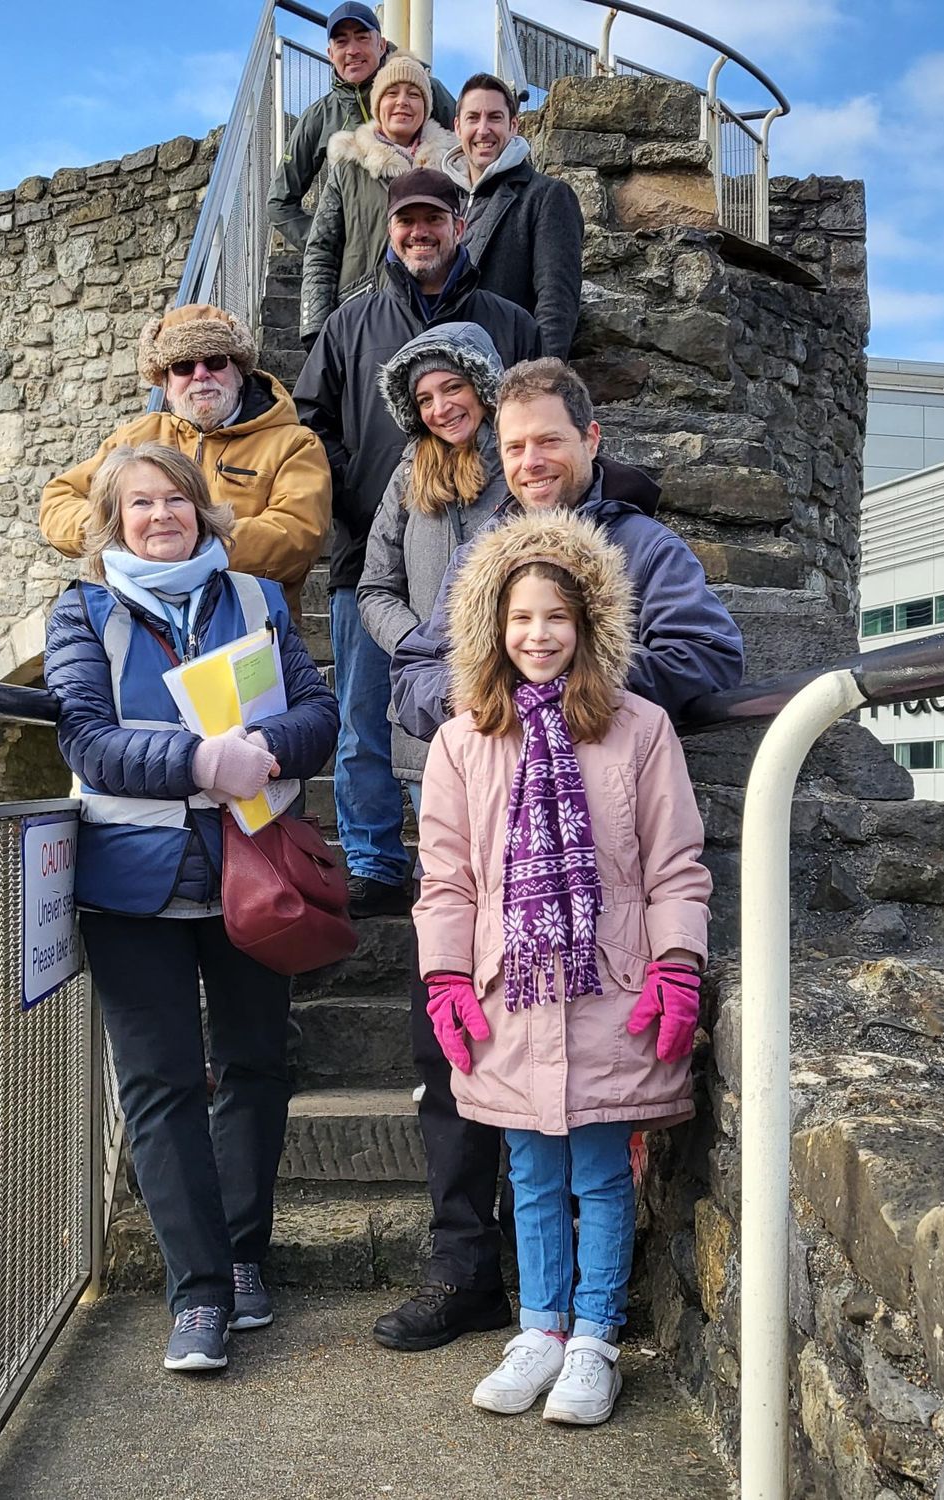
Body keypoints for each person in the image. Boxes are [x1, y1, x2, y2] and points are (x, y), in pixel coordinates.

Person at [373, 360, 742, 1353]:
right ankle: (469, 1271)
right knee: (451, 1065)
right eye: (513, 445)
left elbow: (710, 657)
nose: (529, 460)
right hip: (489, 857)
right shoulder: (485, 553)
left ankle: (591, 1318)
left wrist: (589, 688)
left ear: (590, 440)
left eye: (547, 440)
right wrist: (478, 697)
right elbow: (414, 674)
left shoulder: (645, 548)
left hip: (598, 879)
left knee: (589, 1135)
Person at [44, 442, 337, 1374]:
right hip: (131, 887)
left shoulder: (255, 599)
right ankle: (198, 1293)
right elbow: (87, 740)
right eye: (140, 505)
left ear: (202, 510)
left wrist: (265, 748)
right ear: (112, 523)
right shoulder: (82, 610)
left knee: (254, 1063)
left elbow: (319, 711)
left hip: (253, 876)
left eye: (175, 499)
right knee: (161, 1085)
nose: (161, 516)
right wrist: (196, 762)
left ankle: (245, 1256)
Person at [413, 507, 711, 1422]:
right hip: (512, 993)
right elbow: (446, 875)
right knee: (531, 1174)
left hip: (607, 989)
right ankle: (538, 1329)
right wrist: (446, 979)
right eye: (519, 619)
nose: (537, 636)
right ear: (491, 630)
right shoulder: (463, 739)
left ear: (587, 626)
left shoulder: (639, 728)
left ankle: (593, 1338)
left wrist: (676, 966)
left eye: (555, 617)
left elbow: (672, 862)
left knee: (596, 1170)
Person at [295, 169, 541, 918]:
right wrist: (361, 503)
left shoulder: (508, 321)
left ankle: (479, 854)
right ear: (391, 230)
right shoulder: (349, 322)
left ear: (459, 224)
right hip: (373, 555)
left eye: (433, 218)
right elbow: (312, 425)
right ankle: (372, 859)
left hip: (492, 568)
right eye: (405, 221)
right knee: (366, 717)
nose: (418, 232)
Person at [39, 302, 330, 620]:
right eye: (183, 366)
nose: (201, 374)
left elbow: (297, 535)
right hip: (142, 625)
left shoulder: (294, 444)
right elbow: (58, 500)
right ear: (165, 381)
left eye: (215, 361)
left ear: (237, 368)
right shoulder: (140, 436)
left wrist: (189, 544)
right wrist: (120, 528)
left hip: (246, 624)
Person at [357, 321, 505, 808]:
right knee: (444, 871)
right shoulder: (406, 477)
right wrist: (417, 646)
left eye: (452, 388)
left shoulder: (520, 466)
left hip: (509, 700)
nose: (440, 409)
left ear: (482, 387)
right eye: (425, 399)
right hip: (430, 709)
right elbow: (375, 588)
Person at [267, 1, 456, 252]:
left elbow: (470, 151)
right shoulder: (319, 117)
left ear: (381, 44)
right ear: (330, 53)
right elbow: (279, 203)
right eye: (341, 42)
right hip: (361, 273)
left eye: (362, 38)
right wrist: (331, 244)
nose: (352, 50)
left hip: (426, 250)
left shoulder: (424, 90)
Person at [299, 49, 457, 347]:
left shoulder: (453, 167)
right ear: (377, 104)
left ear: (426, 105)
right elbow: (321, 251)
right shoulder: (348, 168)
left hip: (437, 320)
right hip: (360, 322)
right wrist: (315, 329)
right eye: (391, 93)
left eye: (413, 94)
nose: (402, 102)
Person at [443, 73, 584, 358]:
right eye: (473, 118)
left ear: (514, 125)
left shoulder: (546, 196)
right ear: (458, 127)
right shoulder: (440, 201)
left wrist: (543, 383)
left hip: (510, 377)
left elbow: (556, 304)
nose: (483, 130)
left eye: (494, 117)